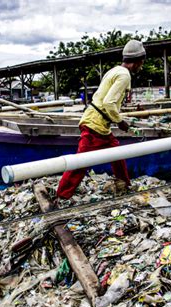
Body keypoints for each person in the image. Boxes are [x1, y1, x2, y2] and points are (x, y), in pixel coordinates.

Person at [56, 39, 146, 200]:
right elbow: (109, 103)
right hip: (95, 124)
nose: (142, 66)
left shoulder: (115, 70)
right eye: (141, 62)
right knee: (81, 162)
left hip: (99, 123)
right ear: (137, 61)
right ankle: (61, 196)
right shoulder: (124, 75)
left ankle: (124, 184)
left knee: (116, 154)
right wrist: (120, 121)